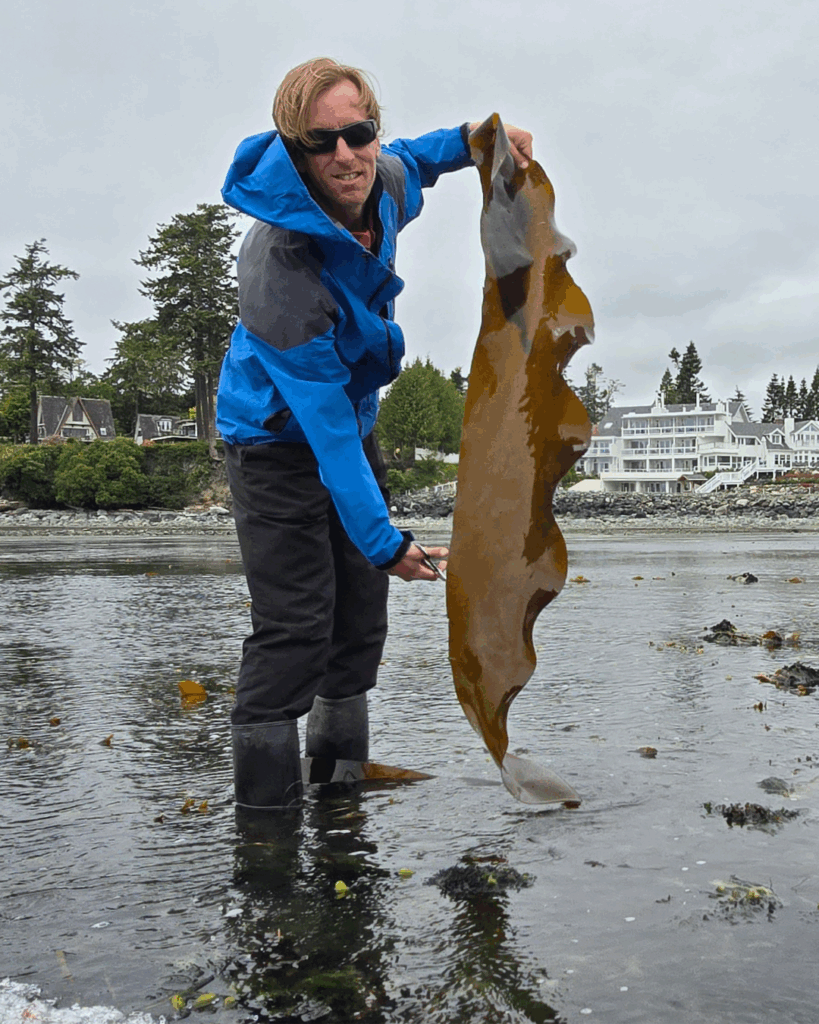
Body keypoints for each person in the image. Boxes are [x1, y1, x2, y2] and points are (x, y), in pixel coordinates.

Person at [217, 57, 533, 813]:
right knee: (296, 626)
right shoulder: (280, 272)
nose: (344, 156)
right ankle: (263, 831)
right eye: (319, 143)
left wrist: (482, 136)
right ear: (294, 150)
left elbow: (423, 156)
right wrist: (388, 543)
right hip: (271, 440)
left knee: (358, 625)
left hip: (347, 423)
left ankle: (336, 801)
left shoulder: (381, 180)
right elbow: (323, 437)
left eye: (357, 133)